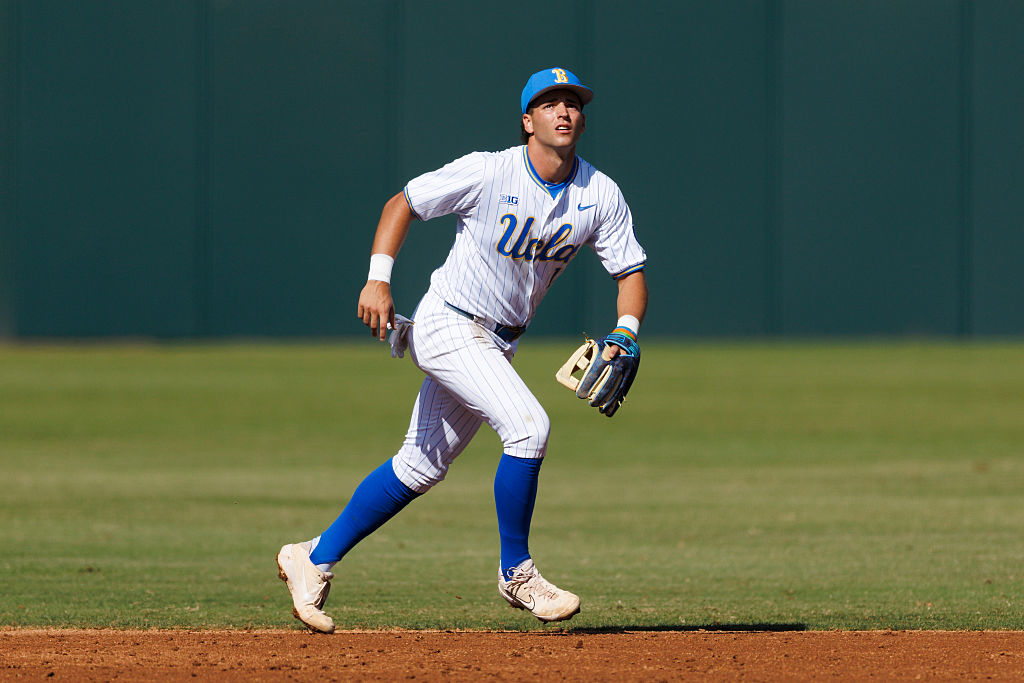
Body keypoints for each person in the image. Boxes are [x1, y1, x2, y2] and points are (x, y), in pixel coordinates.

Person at [276, 67, 648, 634]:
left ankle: (313, 557)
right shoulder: (488, 171)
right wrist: (378, 279)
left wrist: (625, 329)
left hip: (498, 341)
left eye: (572, 102)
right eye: (550, 103)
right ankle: (516, 571)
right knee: (529, 427)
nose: (564, 111)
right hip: (448, 323)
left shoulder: (599, 194)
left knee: (419, 466)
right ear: (528, 121)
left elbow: (630, 271)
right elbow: (403, 202)